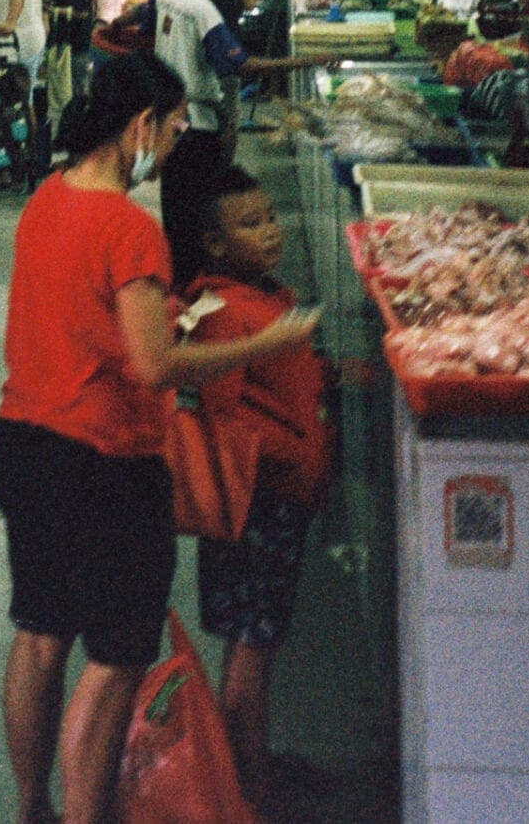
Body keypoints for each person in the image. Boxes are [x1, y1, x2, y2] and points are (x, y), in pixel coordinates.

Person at [0, 55, 321, 824]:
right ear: (140, 125)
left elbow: (90, 322)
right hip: (101, 461)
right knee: (113, 660)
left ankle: (31, 806)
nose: (173, 145)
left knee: (40, 636)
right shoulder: (128, 227)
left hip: (24, 444)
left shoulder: (46, 198)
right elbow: (153, 363)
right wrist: (266, 342)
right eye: (172, 128)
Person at [163, 164, 330, 811]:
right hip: (258, 503)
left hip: (275, 498)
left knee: (256, 639)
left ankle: (250, 765)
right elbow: (222, 418)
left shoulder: (263, 298)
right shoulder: (224, 315)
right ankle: (248, 791)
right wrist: (289, 457)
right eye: (250, 223)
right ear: (211, 242)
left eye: (271, 217)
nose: (270, 232)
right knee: (251, 646)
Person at [156, 0, 327, 172]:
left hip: (169, 118)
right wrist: (307, 61)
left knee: (176, 197)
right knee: (203, 193)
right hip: (198, 123)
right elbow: (243, 65)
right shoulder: (202, 9)